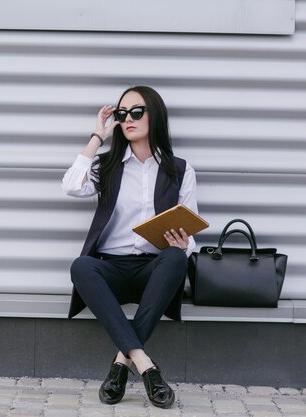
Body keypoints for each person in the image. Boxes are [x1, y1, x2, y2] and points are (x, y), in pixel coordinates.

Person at [61, 86, 199, 408]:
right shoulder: (108, 165)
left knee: (176, 257)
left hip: (154, 268)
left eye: (137, 112)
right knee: (81, 266)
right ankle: (144, 365)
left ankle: (120, 365)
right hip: (112, 267)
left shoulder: (179, 170)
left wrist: (184, 242)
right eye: (122, 114)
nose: (128, 119)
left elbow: (192, 231)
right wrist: (98, 136)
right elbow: (70, 185)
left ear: (156, 116)